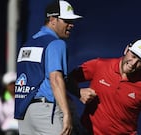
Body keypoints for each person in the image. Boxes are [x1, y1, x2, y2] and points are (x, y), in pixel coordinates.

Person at [67, 39, 141, 135]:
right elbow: (67, 79)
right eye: (133, 56)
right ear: (126, 50)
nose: (133, 63)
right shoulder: (100, 65)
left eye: (140, 62)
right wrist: (78, 92)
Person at [14, 0, 83, 135]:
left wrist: (78, 92)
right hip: (46, 112)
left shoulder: (27, 44)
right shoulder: (56, 43)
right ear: (52, 20)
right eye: (66, 21)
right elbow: (55, 78)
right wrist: (66, 113)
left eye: (72, 21)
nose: (71, 25)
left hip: (24, 114)